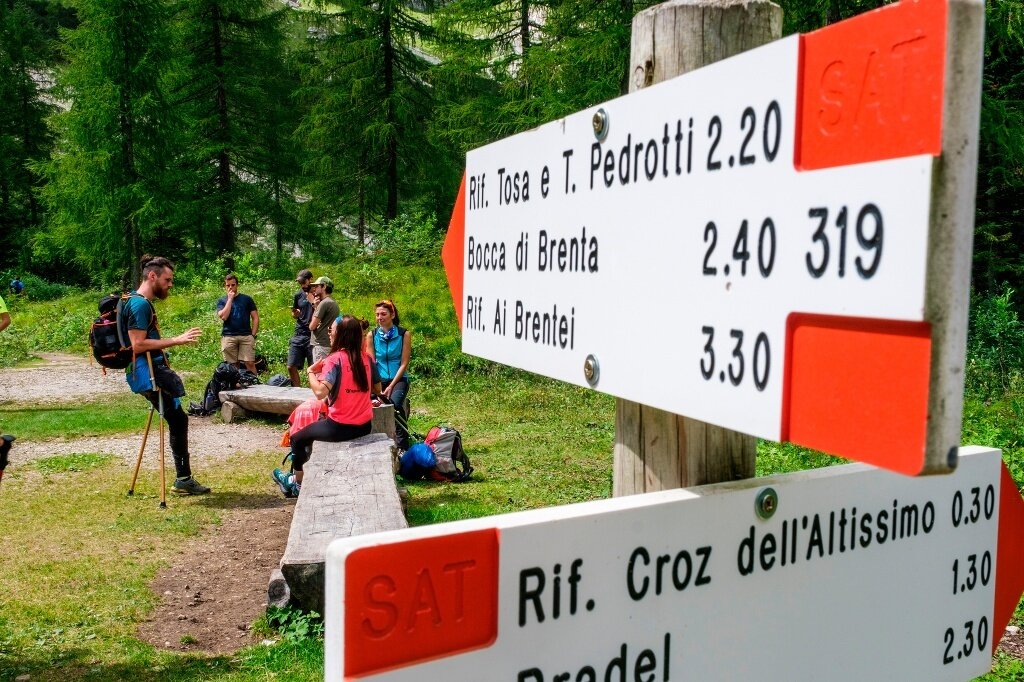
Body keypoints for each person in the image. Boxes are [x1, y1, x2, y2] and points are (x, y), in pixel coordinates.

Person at [123, 255, 209, 495]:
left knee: (177, 418)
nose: (170, 284)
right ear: (153, 276)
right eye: (167, 279)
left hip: (145, 372)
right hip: (149, 373)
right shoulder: (139, 304)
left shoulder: (130, 299)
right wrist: (177, 340)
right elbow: (137, 344)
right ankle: (183, 479)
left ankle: (184, 478)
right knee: (178, 420)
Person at [273, 316, 373, 497]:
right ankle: (296, 479)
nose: (330, 333)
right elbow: (377, 388)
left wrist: (310, 372)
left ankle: (297, 483)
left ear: (341, 334)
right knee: (313, 427)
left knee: (297, 438)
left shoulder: (334, 360)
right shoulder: (366, 359)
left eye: (332, 330)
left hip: (340, 427)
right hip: (365, 426)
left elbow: (320, 392)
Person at [366, 299, 411, 450]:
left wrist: (391, 385)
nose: (379, 317)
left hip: (399, 379)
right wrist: (376, 388)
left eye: (383, 314)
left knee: (395, 405)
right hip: (378, 379)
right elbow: (371, 363)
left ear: (392, 315)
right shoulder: (371, 336)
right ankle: (374, 442)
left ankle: (402, 446)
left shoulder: (403, 334)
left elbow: (404, 363)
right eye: (377, 314)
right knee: (371, 405)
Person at [216, 274, 259, 374]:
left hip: (246, 336)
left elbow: (255, 317)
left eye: (233, 285)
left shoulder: (247, 299)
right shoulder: (222, 301)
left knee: (249, 363)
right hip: (228, 336)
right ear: (225, 286)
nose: (230, 287)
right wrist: (230, 299)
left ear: (237, 285)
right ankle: (236, 386)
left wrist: (253, 335)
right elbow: (223, 316)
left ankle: (256, 385)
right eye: (228, 285)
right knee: (233, 366)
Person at [287, 269, 315, 387]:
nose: (302, 285)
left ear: (310, 280)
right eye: (300, 283)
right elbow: (295, 313)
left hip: (313, 334)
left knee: (313, 368)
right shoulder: (298, 295)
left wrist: (313, 300)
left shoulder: (318, 294)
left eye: (304, 282)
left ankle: (312, 393)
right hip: (299, 333)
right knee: (290, 366)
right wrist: (295, 314)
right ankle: (297, 391)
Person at [307, 276, 339, 363]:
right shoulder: (333, 303)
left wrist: (314, 305)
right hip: (329, 343)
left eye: (317, 286)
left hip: (321, 345)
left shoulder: (324, 303)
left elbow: (312, 326)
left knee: (319, 374)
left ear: (324, 286)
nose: (314, 289)